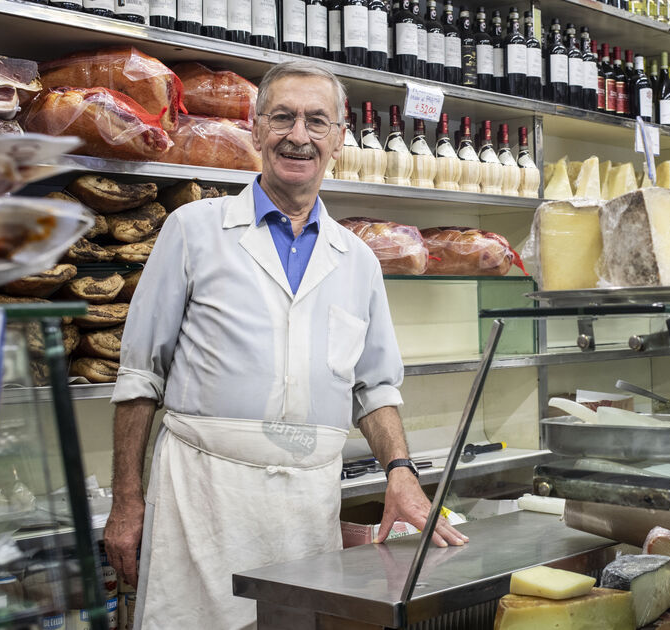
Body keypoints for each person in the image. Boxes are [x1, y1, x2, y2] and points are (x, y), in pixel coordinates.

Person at [102, 59, 468, 630]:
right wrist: (127, 501)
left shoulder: (359, 261)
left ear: (339, 139)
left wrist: (400, 470)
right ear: (256, 128)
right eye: (283, 118)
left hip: (306, 506)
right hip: (202, 496)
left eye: (316, 121)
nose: (299, 136)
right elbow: (140, 375)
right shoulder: (194, 230)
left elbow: (374, 388)